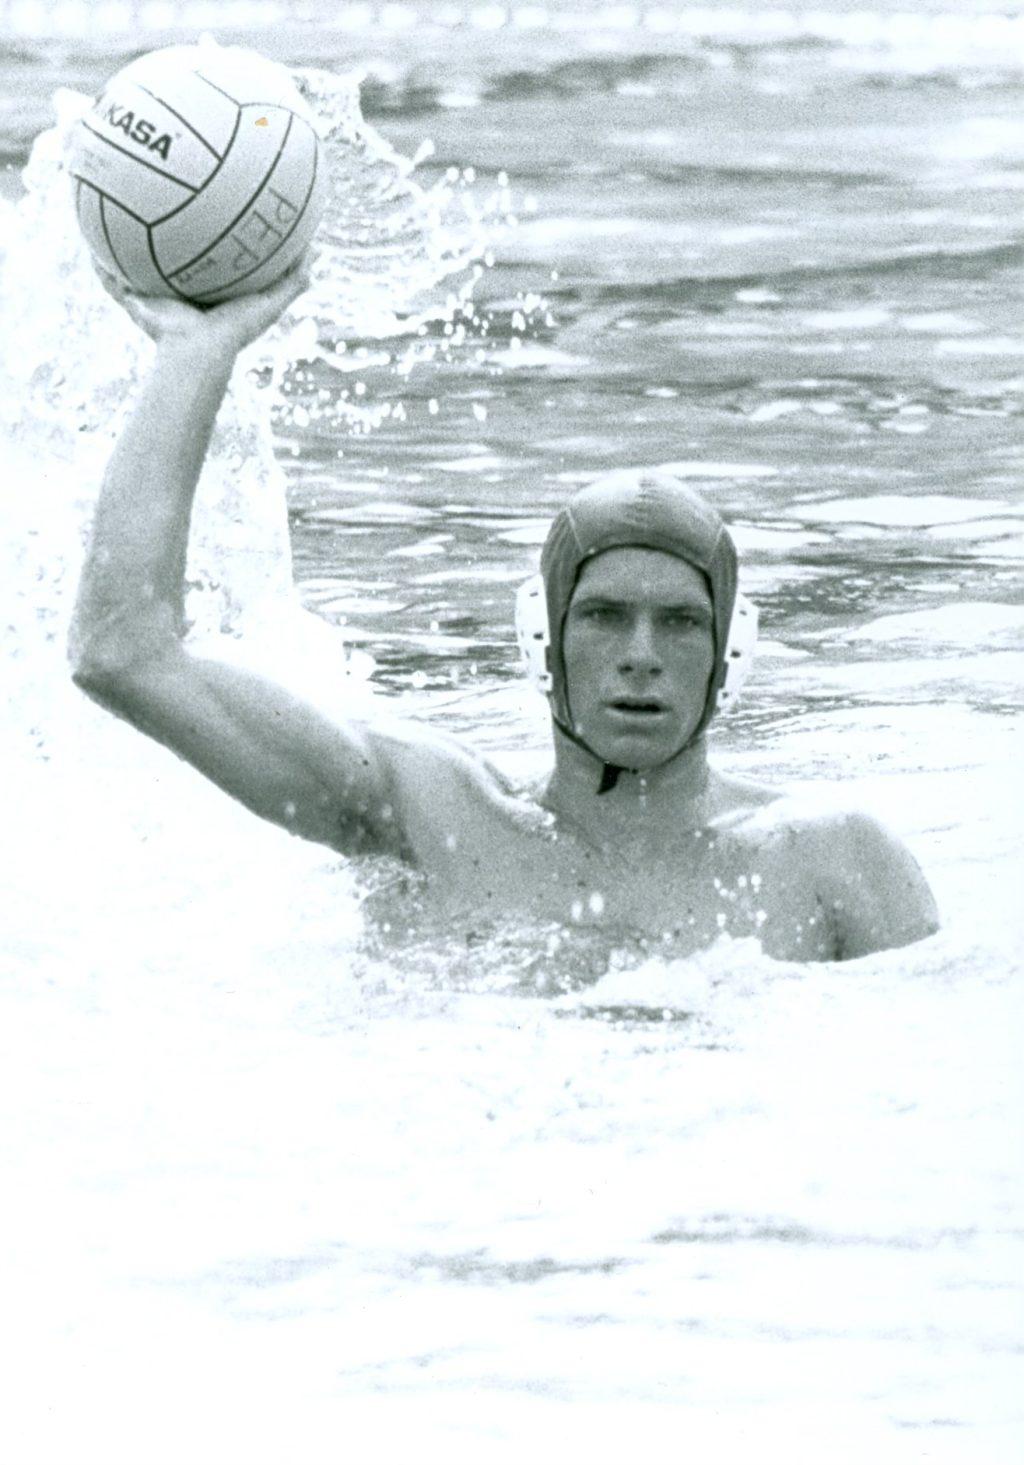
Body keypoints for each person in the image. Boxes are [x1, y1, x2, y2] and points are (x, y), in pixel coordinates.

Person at [69, 266, 939, 965]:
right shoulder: (423, 814)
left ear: (729, 653)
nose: (641, 654)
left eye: (680, 621)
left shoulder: (833, 863)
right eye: (602, 616)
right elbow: (123, 651)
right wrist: (194, 357)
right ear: (544, 643)